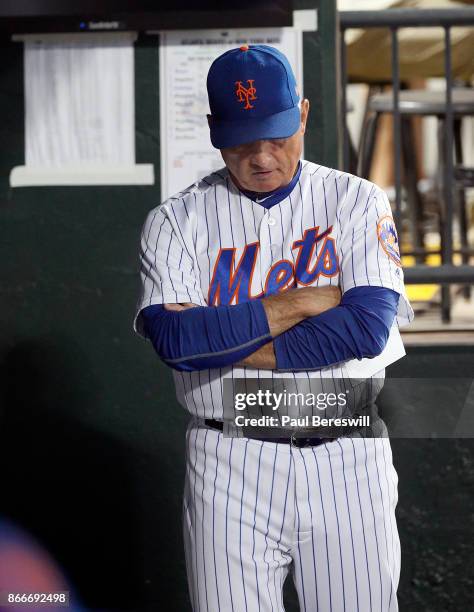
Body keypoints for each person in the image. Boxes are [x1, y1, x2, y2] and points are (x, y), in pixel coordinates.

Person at [134, 44, 413, 612]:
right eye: (242, 139)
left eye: (278, 135)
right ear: (214, 130)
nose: (262, 156)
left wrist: (222, 340)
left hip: (346, 457)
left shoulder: (355, 201)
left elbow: (362, 329)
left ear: (304, 116)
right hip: (229, 458)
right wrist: (296, 302)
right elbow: (176, 342)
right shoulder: (175, 221)